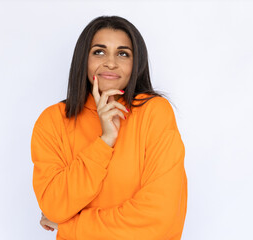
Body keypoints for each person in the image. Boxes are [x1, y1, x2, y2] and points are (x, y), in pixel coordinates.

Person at [31, 15, 187, 240]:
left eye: (123, 53)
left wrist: (70, 226)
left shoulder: (154, 112)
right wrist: (104, 142)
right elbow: (55, 206)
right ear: (83, 59)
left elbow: (159, 219)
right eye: (99, 51)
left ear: (136, 64)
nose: (111, 63)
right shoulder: (53, 121)